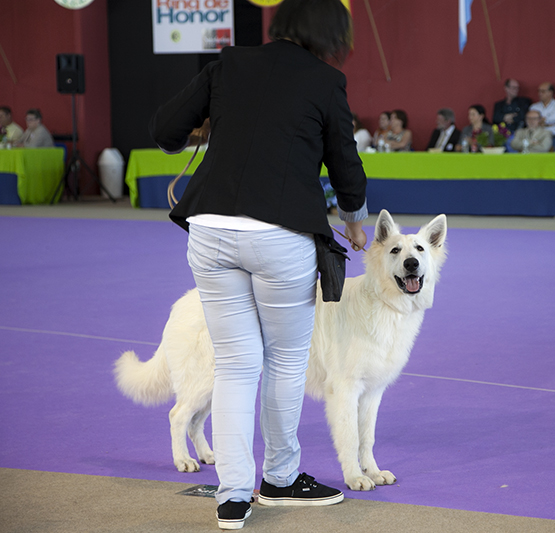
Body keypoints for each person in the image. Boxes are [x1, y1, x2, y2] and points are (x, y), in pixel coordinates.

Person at [149, 0, 368, 529]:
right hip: (281, 237)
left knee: (236, 364)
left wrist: (209, 125)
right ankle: (281, 478)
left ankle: (232, 496)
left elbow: (164, 131)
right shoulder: (325, 80)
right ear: (331, 33)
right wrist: (355, 220)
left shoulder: (229, 63)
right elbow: (347, 167)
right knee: (287, 360)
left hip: (209, 231)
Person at [529, 82, 555, 151]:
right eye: (539, 91)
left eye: (543, 91)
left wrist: (539, 122)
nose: (540, 94)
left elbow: (554, 119)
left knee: (553, 160)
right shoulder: (534, 107)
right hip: (536, 138)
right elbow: (531, 122)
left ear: (550, 92)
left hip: (552, 138)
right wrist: (548, 124)